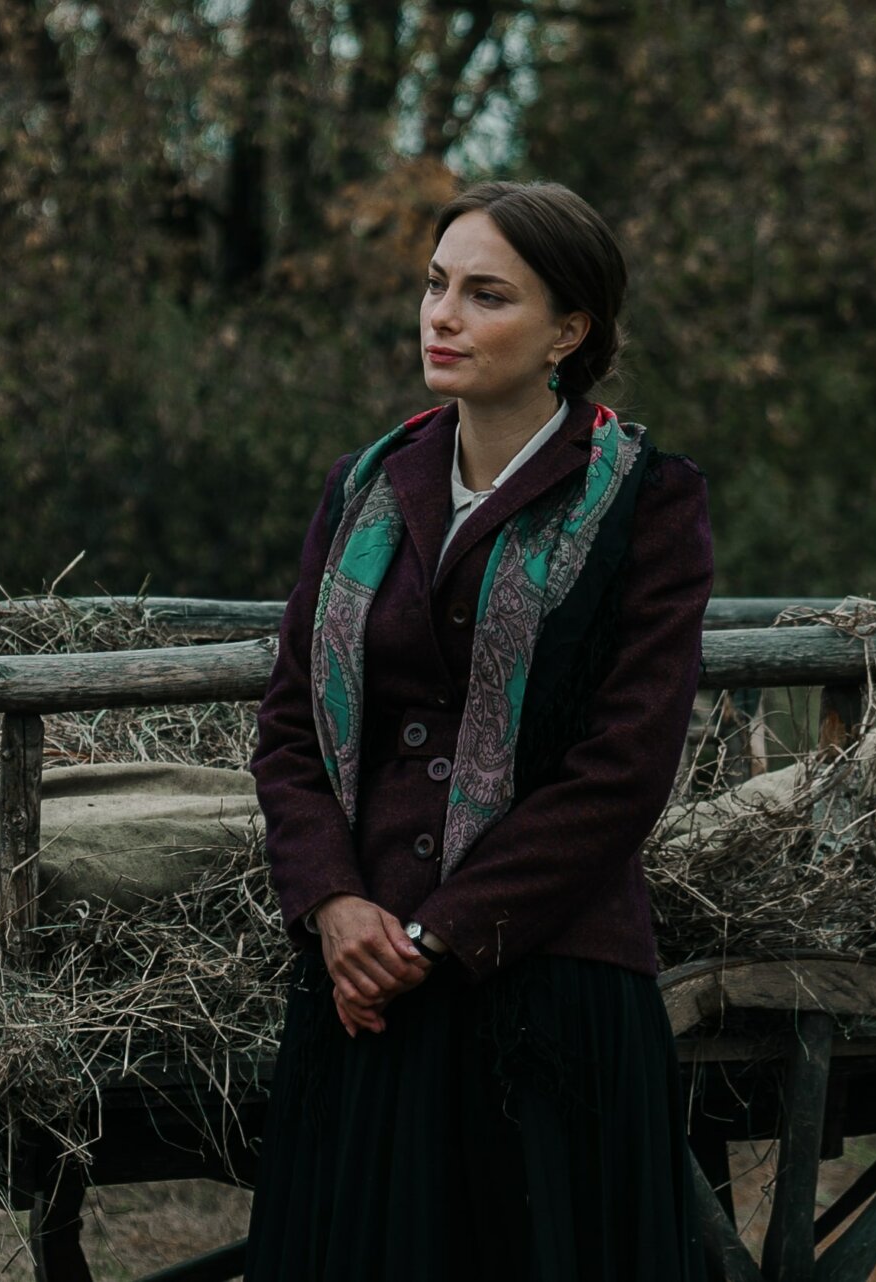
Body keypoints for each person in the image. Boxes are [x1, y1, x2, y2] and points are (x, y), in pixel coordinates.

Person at [242, 180, 712, 1280]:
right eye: (435, 284)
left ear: (568, 331)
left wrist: (441, 932)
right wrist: (335, 905)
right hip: (358, 994)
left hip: (545, 994)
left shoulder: (646, 501)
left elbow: (624, 768)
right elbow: (291, 725)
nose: (442, 316)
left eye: (486, 295)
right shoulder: (363, 488)